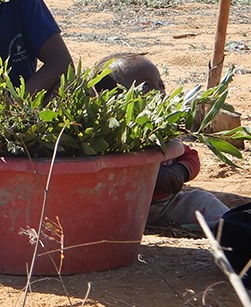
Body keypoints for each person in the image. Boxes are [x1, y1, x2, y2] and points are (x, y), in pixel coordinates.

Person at [94, 52, 230, 230]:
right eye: (145, 87)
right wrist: (148, 175)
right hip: (119, 208)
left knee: (201, 200)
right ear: (113, 97)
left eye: (161, 85)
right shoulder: (107, 136)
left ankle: (231, 226)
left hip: (165, 205)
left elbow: (189, 156)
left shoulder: (162, 128)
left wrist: (179, 172)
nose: (159, 92)